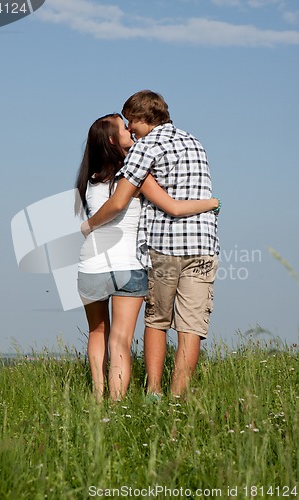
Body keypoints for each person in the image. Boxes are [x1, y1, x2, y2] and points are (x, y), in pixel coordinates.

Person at [81, 91, 220, 399]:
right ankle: (177, 398)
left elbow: (120, 201)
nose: (130, 129)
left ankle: (151, 392)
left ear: (144, 119)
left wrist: (88, 225)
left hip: (163, 247)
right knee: (191, 327)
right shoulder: (195, 141)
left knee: (157, 321)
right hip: (204, 244)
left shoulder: (141, 150)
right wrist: (212, 203)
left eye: (131, 122)